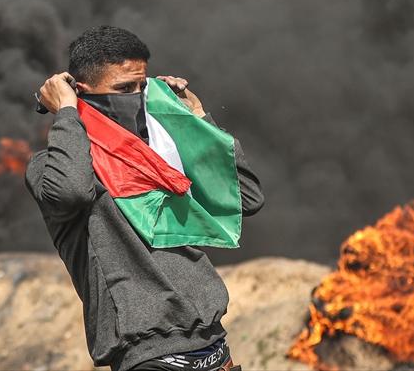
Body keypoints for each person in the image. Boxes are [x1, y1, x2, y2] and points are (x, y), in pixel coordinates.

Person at [26, 25, 264, 371]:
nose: (136, 98)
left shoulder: (162, 152)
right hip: (150, 356)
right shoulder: (50, 167)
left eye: (142, 87)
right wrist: (65, 112)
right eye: (124, 89)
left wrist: (195, 119)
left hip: (215, 347)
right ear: (81, 92)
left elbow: (245, 198)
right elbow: (71, 193)